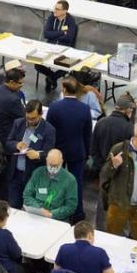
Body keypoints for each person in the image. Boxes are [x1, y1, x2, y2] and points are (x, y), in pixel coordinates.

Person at [101, 122, 137, 240]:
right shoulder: (119, 149)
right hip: (119, 204)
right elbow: (104, 175)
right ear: (136, 137)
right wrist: (113, 166)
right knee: (112, 238)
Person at [46, 77, 92, 221]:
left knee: (53, 181)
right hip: (77, 151)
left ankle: (52, 208)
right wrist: (86, 153)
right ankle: (77, 213)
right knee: (76, 183)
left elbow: (49, 132)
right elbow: (87, 135)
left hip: (57, 152)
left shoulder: (54, 107)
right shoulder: (85, 109)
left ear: (64, 89)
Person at [23, 149, 78, 221]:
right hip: (36, 214)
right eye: (50, 165)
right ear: (46, 161)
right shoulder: (38, 173)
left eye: (56, 166)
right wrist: (39, 209)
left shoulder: (70, 180)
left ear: (62, 162)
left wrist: (52, 214)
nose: (53, 168)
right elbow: (27, 195)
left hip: (57, 219)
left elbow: (71, 206)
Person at [34, 0, 78, 91]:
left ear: (64, 11)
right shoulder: (51, 18)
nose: (55, 10)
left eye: (57, 9)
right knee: (37, 64)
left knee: (67, 66)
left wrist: (54, 35)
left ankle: (51, 78)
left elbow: (69, 38)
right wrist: (62, 32)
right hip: (50, 46)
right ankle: (52, 77)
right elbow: (46, 34)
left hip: (64, 48)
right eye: (55, 8)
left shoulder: (70, 21)